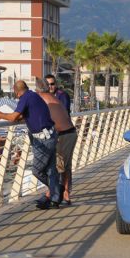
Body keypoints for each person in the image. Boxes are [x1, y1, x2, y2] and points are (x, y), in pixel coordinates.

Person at [0, 80, 61, 209]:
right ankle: (54, 199)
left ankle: (57, 189)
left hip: (43, 139)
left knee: (37, 170)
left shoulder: (25, 98)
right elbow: (26, 116)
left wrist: (0, 115)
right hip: (50, 134)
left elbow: (14, 117)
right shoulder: (33, 96)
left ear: (16, 92)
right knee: (50, 169)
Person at [36, 77, 77, 205]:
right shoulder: (52, 97)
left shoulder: (45, 98)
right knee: (63, 166)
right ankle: (62, 193)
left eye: (53, 84)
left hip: (64, 134)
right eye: (49, 84)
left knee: (60, 166)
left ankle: (54, 194)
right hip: (67, 133)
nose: (51, 86)